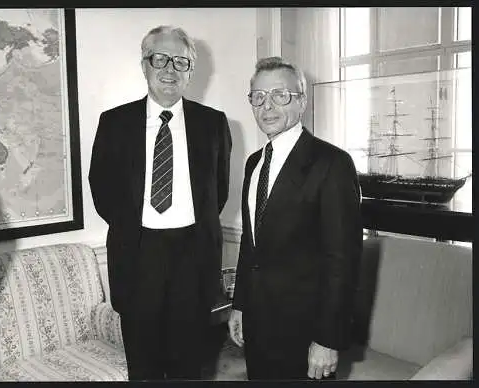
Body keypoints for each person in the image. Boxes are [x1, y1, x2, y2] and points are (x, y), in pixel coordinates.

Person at [89, 25, 232, 381]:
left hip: (193, 259)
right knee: (144, 368)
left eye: (180, 62)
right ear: (144, 65)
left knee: (190, 367)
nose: (169, 69)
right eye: (160, 59)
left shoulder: (213, 124)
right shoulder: (114, 122)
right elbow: (101, 189)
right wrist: (132, 226)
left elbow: (218, 192)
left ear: (190, 71)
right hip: (138, 257)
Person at [228, 57, 362, 380]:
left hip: (306, 332)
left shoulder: (332, 163)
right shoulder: (253, 163)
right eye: (258, 97)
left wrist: (328, 339)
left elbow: (342, 260)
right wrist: (239, 304)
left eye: (280, 95)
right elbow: (251, 242)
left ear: (301, 101)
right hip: (258, 326)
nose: (267, 106)